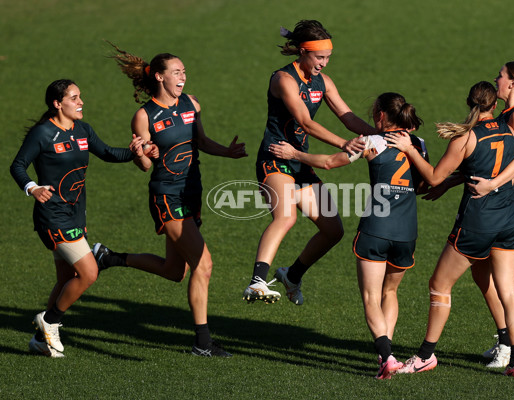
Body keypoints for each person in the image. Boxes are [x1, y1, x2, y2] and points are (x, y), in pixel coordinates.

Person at [93, 43, 247, 357]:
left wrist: (227, 152)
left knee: (174, 271)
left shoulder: (191, 104)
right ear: (160, 77)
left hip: (192, 192)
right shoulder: (144, 116)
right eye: (177, 72)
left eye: (184, 71)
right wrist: (139, 155)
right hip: (167, 195)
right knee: (203, 265)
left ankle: (110, 258)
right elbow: (146, 164)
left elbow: (200, 141)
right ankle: (202, 344)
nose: (183, 76)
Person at [270, 92, 428, 379]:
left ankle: (387, 357)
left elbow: (330, 162)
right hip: (407, 232)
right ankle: (386, 354)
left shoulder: (372, 142)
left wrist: (295, 154)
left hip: (376, 230)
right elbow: (423, 184)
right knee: (390, 292)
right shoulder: (419, 145)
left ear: (380, 116)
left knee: (370, 297)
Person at [386, 81, 514, 377]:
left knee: (439, 285)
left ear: (469, 102)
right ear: (493, 105)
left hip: (478, 223)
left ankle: (425, 355)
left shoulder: (466, 137)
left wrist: (409, 149)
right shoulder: (510, 130)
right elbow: (491, 168)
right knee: (509, 292)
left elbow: (434, 177)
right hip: (509, 220)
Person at [10, 79, 148, 357]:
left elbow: (108, 153)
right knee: (88, 273)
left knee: (66, 279)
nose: (81, 101)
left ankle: (41, 339)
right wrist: (32, 187)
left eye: (80, 96)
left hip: (75, 214)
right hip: (52, 216)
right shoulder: (43, 133)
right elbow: (18, 165)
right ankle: (49, 321)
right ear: (57, 104)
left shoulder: (82, 129)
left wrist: (134, 152)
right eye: (74, 98)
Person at [244, 20, 376, 305]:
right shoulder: (283, 80)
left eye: (328, 58)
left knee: (333, 230)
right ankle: (257, 281)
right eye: (320, 57)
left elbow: (347, 116)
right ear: (303, 52)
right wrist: (343, 143)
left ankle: (292, 275)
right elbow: (305, 121)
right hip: (276, 156)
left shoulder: (323, 82)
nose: (324, 64)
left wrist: (381, 135)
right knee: (286, 216)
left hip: (300, 161)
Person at [422, 62, 514, 368]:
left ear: (513, 83)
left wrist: (491, 185)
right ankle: (509, 340)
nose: (496, 79)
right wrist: (451, 182)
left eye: (500, 76)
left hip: (512, 203)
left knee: (501, 280)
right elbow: (487, 160)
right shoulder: (503, 117)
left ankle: (513, 341)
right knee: (480, 271)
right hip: (501, 199)